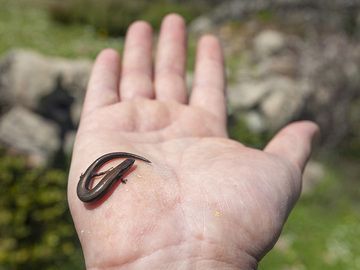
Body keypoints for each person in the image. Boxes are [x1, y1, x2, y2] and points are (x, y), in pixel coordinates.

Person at [67, 14, 319, 269]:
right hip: (88, 193)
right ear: (122, 170)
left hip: (88, 190)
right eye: (126, 166)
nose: (128, 167)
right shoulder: (116, 175)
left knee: (98, 175)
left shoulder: (115, 174)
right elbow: (109, 181)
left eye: (126, 165)